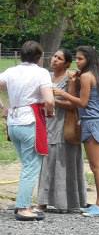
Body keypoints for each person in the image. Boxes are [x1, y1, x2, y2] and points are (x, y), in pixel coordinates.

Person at [0, 40, 54, 221]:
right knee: (31, 166)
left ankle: (25, 202)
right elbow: (49, 100)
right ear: (39, 57)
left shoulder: (11, 71)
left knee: (27, 164)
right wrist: (50, 112)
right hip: (30, 119)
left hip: (13, 120)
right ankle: (23, 207)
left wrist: (3, 109)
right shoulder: (41, 73)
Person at [54, 45, 99, 217]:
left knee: (97, 166)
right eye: (76, 58)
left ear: (89, 60)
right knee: (95, 166)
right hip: (93, 122)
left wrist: (60, 93)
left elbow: (83, 103)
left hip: (92, 123)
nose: (77, 62)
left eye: (80, 59)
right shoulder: (94, 75)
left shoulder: (87, 76)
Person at [38, 49, 87, 213]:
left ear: (67, 63)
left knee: (62, 160)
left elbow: (73, 104)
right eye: (54, 56)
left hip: (64, 123)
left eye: (59, 58)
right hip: (48, 122)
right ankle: (43, 200)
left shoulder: (70, 78)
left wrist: (54, 100)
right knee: (47, 160)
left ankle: (66, 201)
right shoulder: (47, 77)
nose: (55, 60)